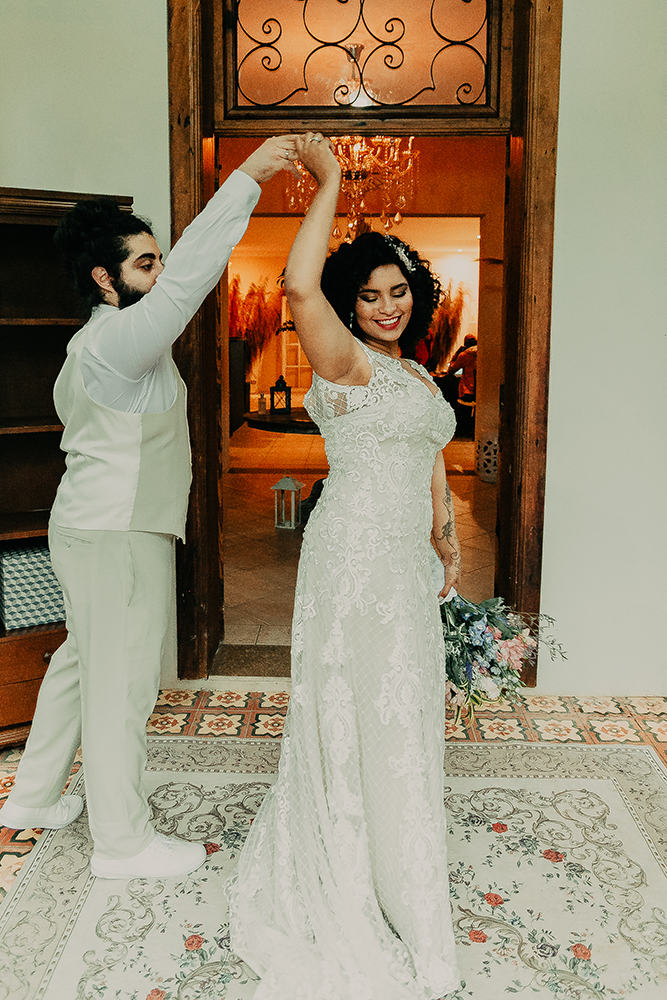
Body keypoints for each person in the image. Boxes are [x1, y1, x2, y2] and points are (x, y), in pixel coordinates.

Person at [0, 136, 300, 880]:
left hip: (94, 529)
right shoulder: (119, 342)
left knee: (81, 665)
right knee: (121, 684)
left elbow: (173, 288)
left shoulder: (103, 342)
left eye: (158, 259)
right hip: (116, 535)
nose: (160, 273)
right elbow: (190, 281)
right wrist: (248, 177)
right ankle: (122, 843)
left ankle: (33, 797)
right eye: (144, 264)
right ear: (104, 280)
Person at [228, 133, 462, 999]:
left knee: (399, 707)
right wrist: (325, 178)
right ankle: (358, 864)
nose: (386, 307)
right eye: (368, 295)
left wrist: (445, 537)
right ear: (349, 305)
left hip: (404, 562)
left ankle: (402, 857)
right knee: (359, 703)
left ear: (414, 297)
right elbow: (296, 286)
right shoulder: (347, 362)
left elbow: (429, 456)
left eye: (398, 292)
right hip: (353, 558)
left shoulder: (414, 373)